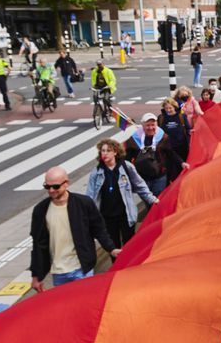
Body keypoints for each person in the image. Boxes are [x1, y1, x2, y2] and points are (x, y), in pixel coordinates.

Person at [28, 165, 120, 293]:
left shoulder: (84, 203)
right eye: (47, 187)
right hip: (58, 272)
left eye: (55, 186)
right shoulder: (40, 210)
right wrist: (36, 275)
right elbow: (38, 244)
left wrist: (111, 248)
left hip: (82, 269)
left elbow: (99, 229)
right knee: (65, 310)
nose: (51, 190)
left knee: (86, 305)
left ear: (66, 183)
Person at [86, 138, 158, 248]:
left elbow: (140, 185)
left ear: (115, 152)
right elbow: (90, 195)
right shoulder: (96, 172)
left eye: (108, 150)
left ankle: (130, 265)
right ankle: (117, 265)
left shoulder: (126, 166)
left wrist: (152, 199)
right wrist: (88, 216)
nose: (104, 153)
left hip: (126, 214)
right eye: (102, 151)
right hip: (107, 216)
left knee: (129, 245)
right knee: (113, 246)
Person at [127, 112, 187, 194]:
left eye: (153, 125)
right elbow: (127, 158)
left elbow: (170, 152)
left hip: (160, 176)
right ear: (142, 126)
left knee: (158, 200)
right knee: (148, 203)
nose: (151, 127)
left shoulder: (162, 137)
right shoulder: (134, 139)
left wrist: (181, 163)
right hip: (142, 177)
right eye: (148, 125)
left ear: (156, 125)